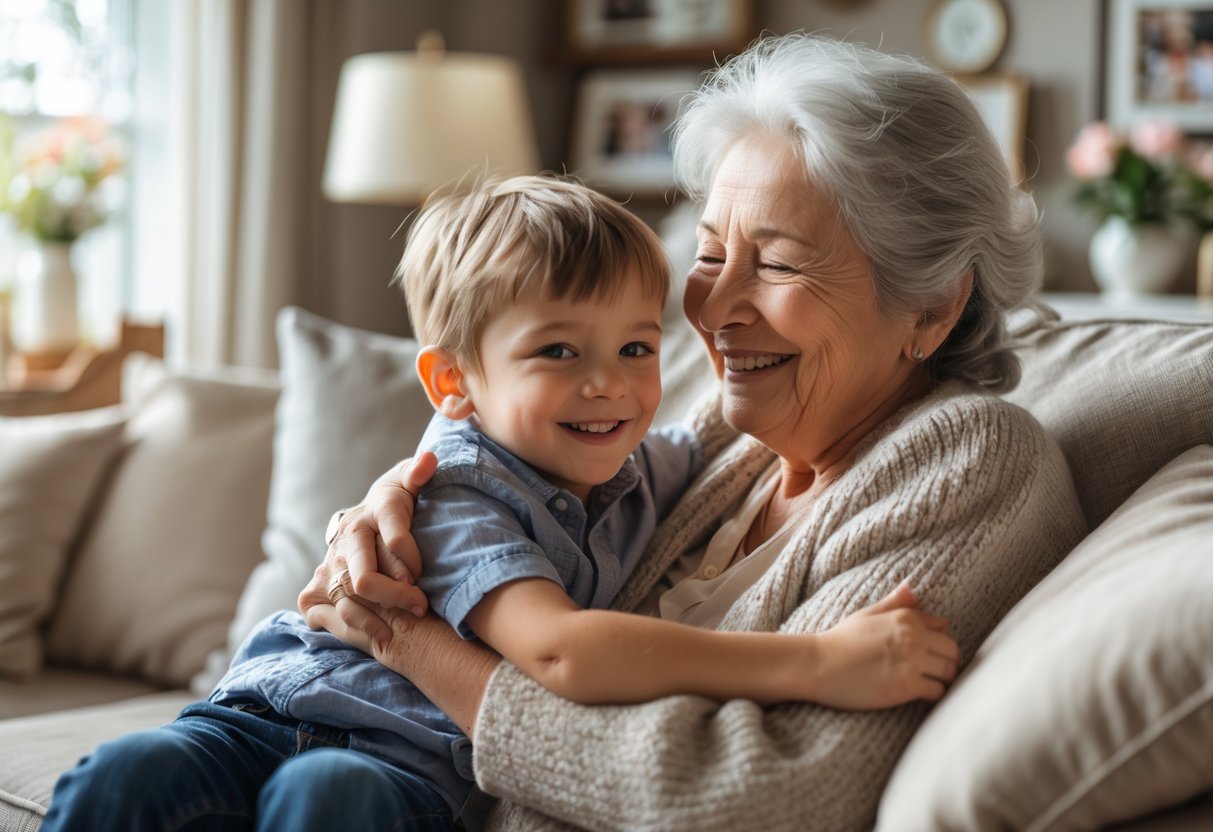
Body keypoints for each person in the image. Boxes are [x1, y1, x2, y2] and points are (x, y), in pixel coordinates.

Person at [306, 34, 1088, 832]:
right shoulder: (734, 433)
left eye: (778, 266)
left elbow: (765, 796)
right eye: (711, 254)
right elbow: (512, 458)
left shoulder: (969, 458)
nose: (714, 310)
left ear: (931, 305)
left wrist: (411, 643)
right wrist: (404, 496)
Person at [41, 175, 959, 832]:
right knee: (132, 772)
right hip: (262, 713)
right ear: (454, 383)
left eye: (637, 349)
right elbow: (559, 650)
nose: (609, 387)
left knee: (330, 800)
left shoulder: (644, 464)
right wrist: (816, 663)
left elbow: (727, 451)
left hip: (400, 776)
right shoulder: (460, 489)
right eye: (559, 353)